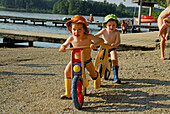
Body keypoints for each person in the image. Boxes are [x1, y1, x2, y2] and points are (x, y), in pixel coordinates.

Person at [59, 15, 104, 99]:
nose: (76, 32)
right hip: (75, 60)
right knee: (67, 72)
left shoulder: (88, 37)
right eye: (74, 29)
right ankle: (68, 92)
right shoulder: (71, 38)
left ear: (84, 30)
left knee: (92, 74)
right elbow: (64, 44)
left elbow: (101, 40)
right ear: (71, 30)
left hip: (87, 60)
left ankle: (97, 78)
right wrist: (63, 47)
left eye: (79, 29)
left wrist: (94, 44)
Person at [95, 14, 121, 84]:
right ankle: (97, 73)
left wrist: (115, 44)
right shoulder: (104, 31)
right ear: (106, 25)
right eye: (109, 25)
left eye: (113, 25)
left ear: (116, 25)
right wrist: (95, 41)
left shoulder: (116, 32)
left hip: (112, 48)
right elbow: (96, 36)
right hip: (103, 47)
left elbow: (118, 41)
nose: (111, 27)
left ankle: (116, 76)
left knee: (114, 58)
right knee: (100, 58)